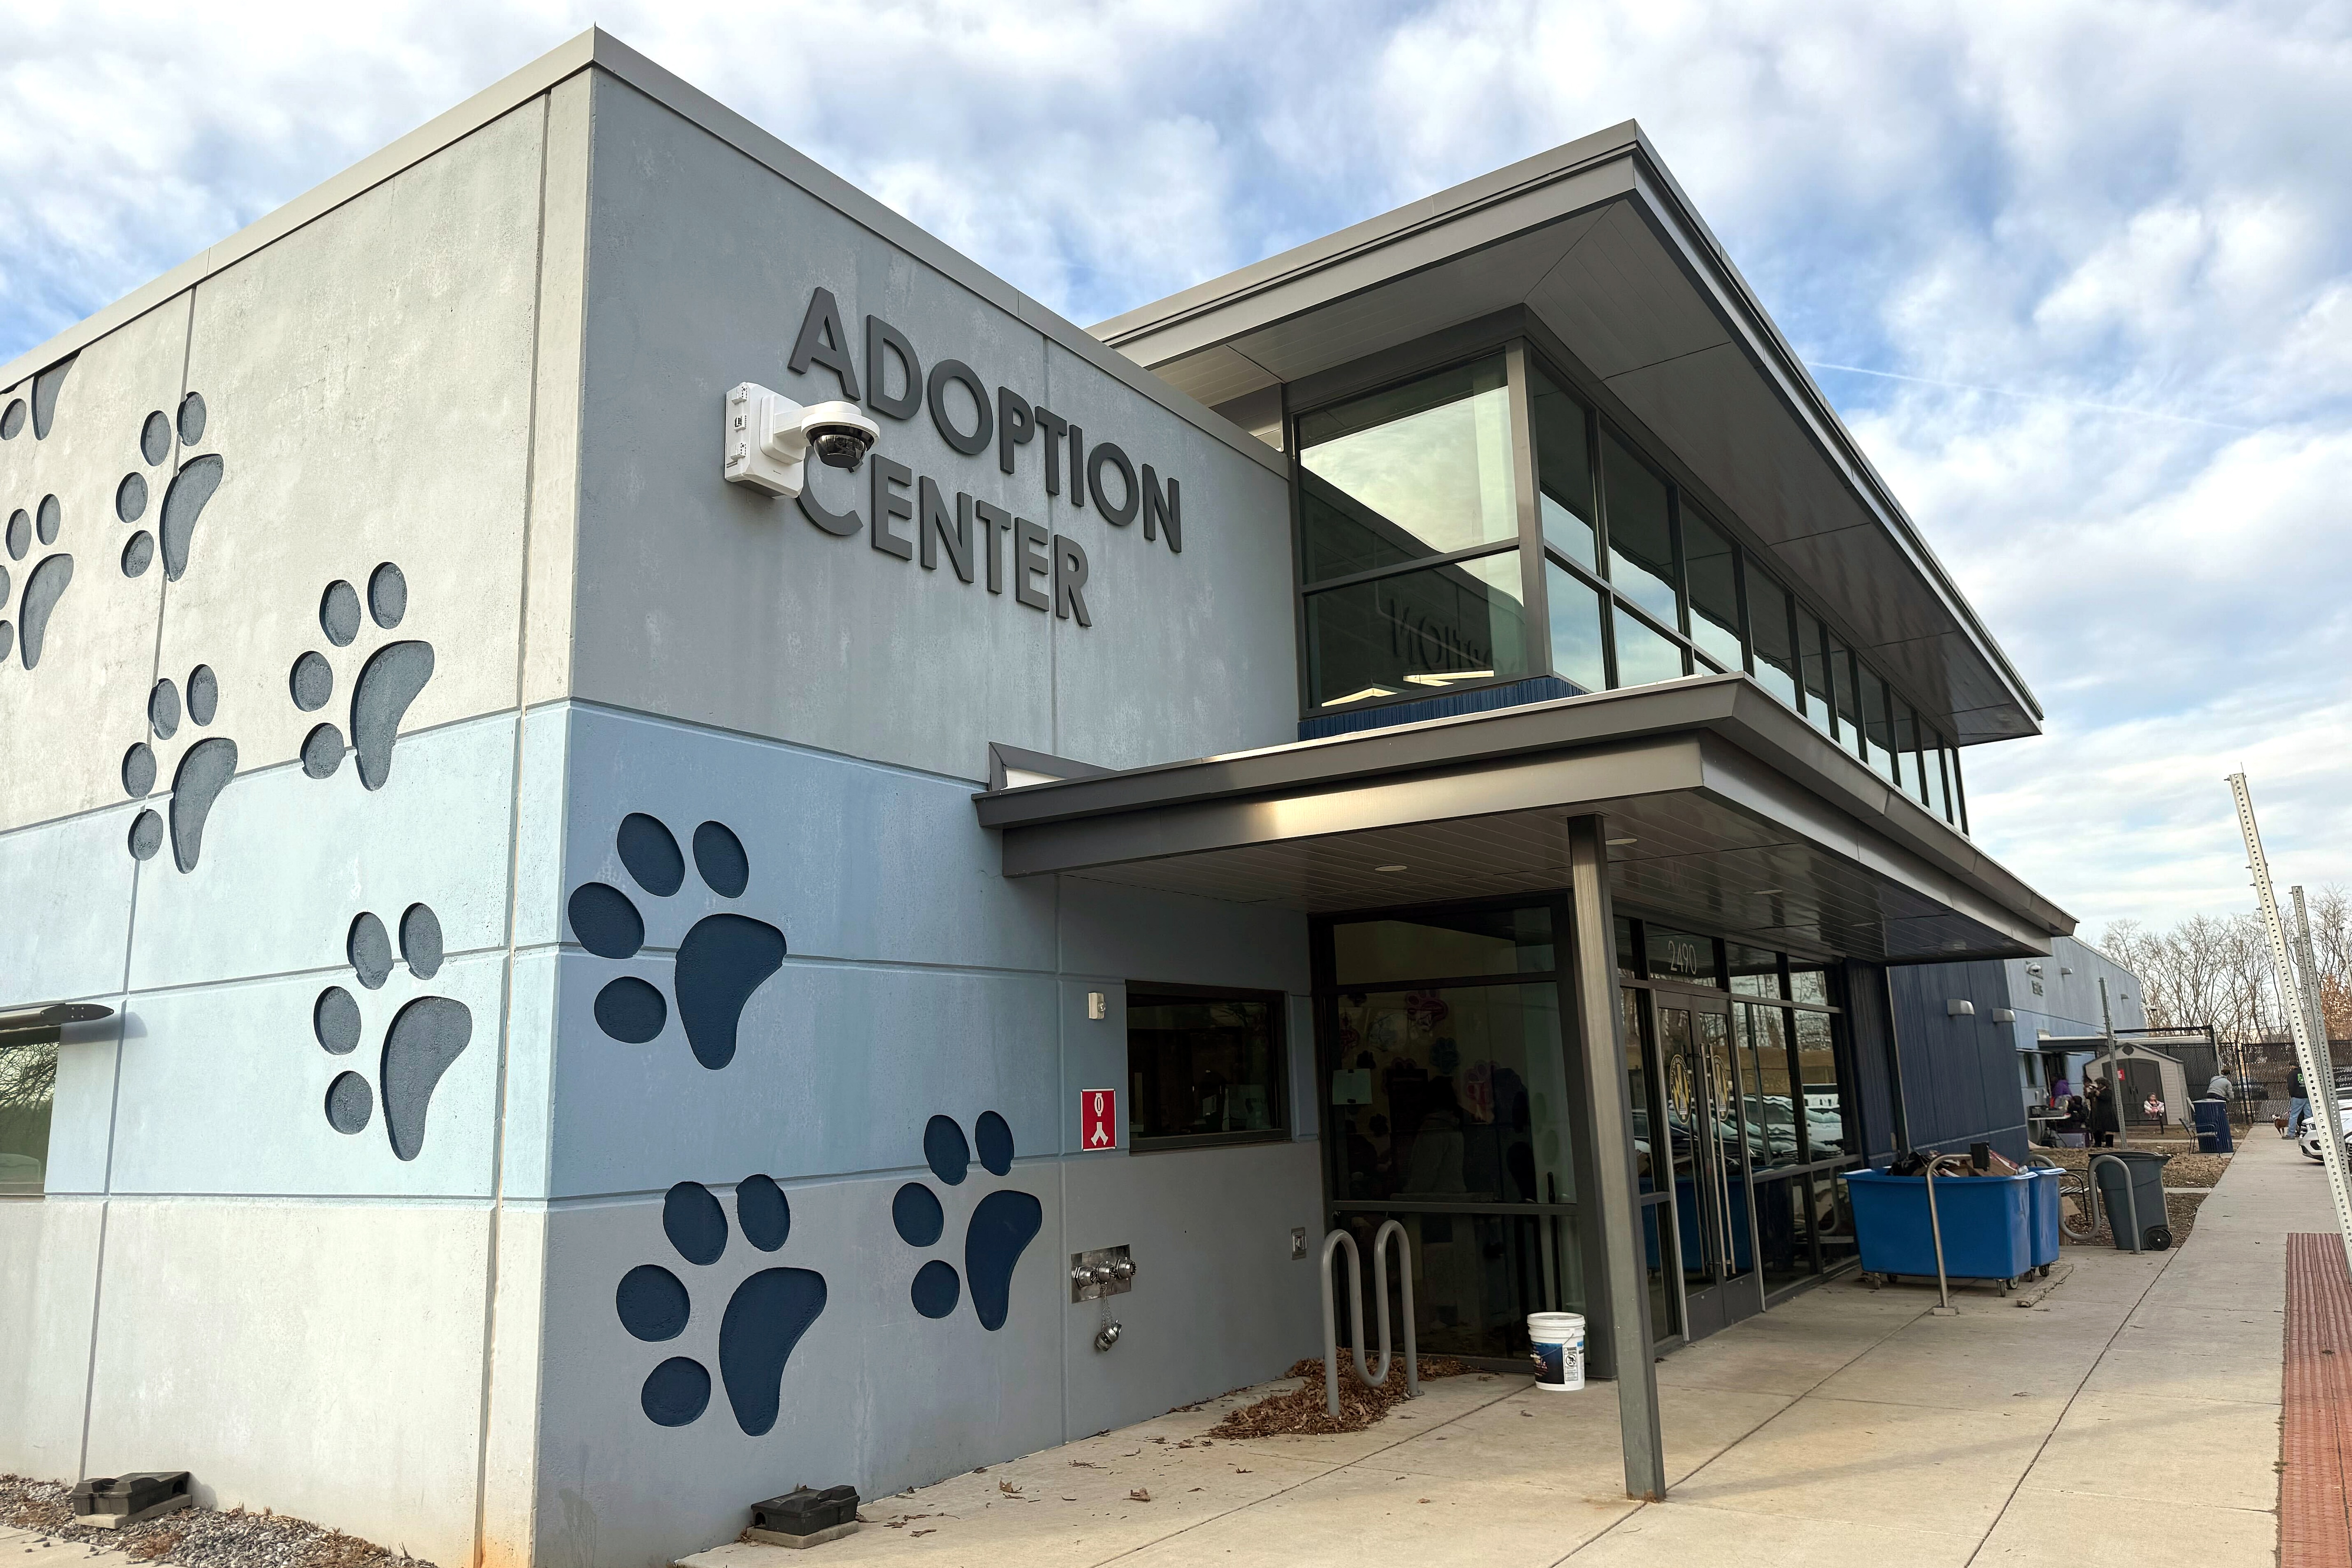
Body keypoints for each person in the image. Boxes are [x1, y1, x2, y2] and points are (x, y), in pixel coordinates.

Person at [2086, 1077, 2119, 1148]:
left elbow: (2105, 1097)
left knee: (2108, 1130)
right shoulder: (2096, 1091)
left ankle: (2109, 1144)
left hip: (2107, 1113)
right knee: (2097, 1129)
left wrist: (2098, 1093)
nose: (2098, 1085)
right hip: (2098, 1114)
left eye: (2099, 1084)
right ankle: (2098, 1143)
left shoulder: (2108, 1092)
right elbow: (2089, 1096)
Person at [2288, 1067, 2310, 1138]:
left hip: (2297, 1097)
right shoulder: (2305, 1071)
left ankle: (2291, 1133)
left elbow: (2291, 1085)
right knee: (2309, 1115)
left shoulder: (2293, 1074)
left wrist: (2292, 1095)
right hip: (2306, 1096)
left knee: (2294, 1115)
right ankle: (2309, 1132)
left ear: (2292, 1066)